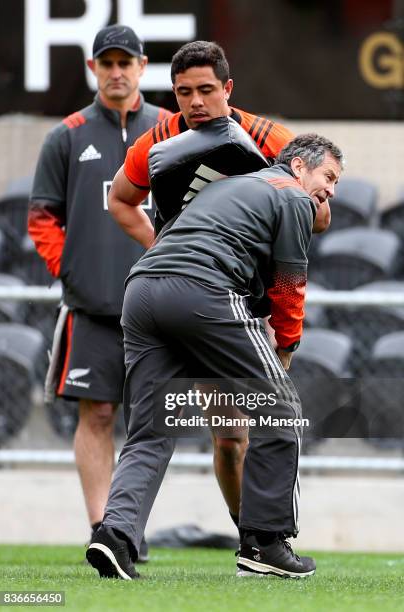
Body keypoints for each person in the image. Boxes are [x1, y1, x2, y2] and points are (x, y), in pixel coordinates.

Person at [86, 132, 343, 579]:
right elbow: (288, 287)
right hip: (201, 290)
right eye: (329, 176)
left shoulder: (228, 186)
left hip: (142, 289)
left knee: (148, 430)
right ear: (299, 167)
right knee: (280, 410)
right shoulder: (291, 197)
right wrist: (285, 349)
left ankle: (116, 536)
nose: (332, 191)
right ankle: (265, 545)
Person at [106, 40, 331, 534]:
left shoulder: (269, 138)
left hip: (243, 304)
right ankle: (253, 536)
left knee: (235, 436)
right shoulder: (157, 141)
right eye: (184, 92)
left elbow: (320, 214)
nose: (195, 103)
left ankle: (251, 536)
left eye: (206, 90)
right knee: (220, 433)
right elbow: (121, 201)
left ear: (228, 89)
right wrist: (165, 247)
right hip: (191, 296)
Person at [28, 24, 171, 559]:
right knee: (99, 415)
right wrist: (72, 270)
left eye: (125, 62)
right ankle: (101, 529)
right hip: (93, 307)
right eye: (106, 63)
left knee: (153, 422)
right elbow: (42, 217)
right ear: (93, 69)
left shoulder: (170, 129)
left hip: (160, 306)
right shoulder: (66, 136)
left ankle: (128, 526)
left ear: (141, 66)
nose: (116, 72)